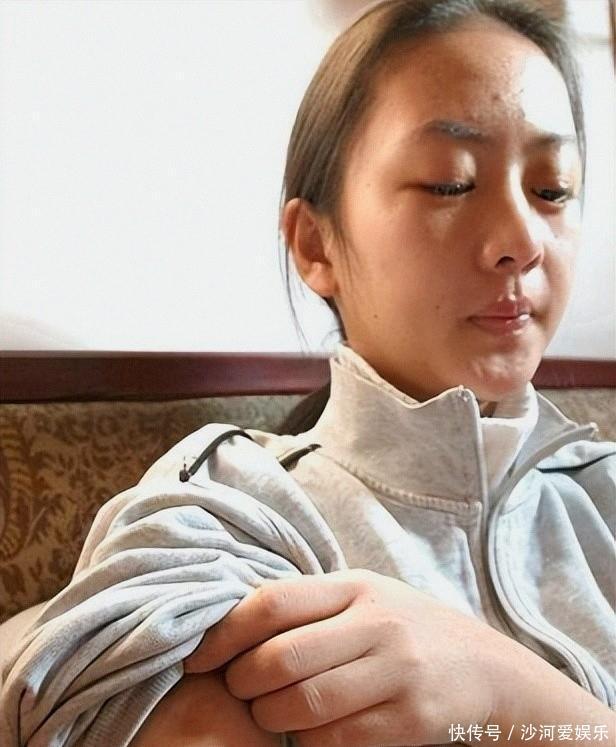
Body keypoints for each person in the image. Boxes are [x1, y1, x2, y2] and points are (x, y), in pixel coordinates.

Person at [1, 1, 614, 745]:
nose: (523, 238)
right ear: (316, 245)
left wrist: (509, 696)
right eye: (450, 183)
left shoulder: (604, 494)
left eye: (552, 189)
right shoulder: (237, 506)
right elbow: (71, 686)